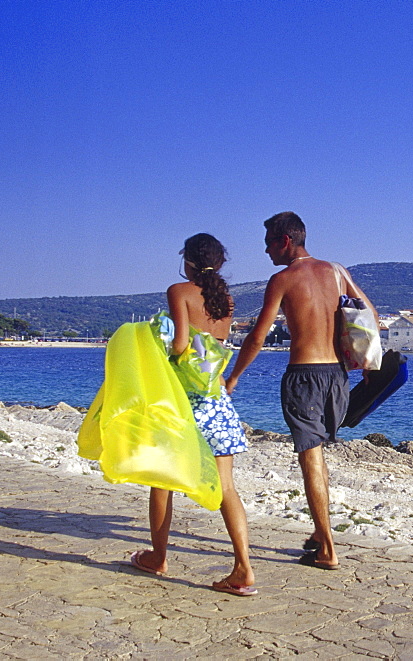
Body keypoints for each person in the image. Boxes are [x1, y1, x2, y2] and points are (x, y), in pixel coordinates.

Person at [226, 212, 378, 570]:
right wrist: (365, 363)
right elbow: (370, 315)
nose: (265, 251)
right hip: (338, 375)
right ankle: (318, 530)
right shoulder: (337, 272)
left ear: (284, 241)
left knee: (310, 455)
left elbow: (258, 336)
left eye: (267, 244)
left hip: (304, 374)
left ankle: (327, 547)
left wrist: (233, 379)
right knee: (319, 452)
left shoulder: (282, 279)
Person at [129, 233, 256, 596]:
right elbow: (211, 348)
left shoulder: (179, 291)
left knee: (162, 480)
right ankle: (243, 568)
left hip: (182, 401)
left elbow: (182, 345)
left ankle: (158, 557)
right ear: (220, 262)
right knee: (226, 487)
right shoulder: (226, 300)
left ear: (187, 260)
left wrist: (155, 336)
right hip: (216, 402)